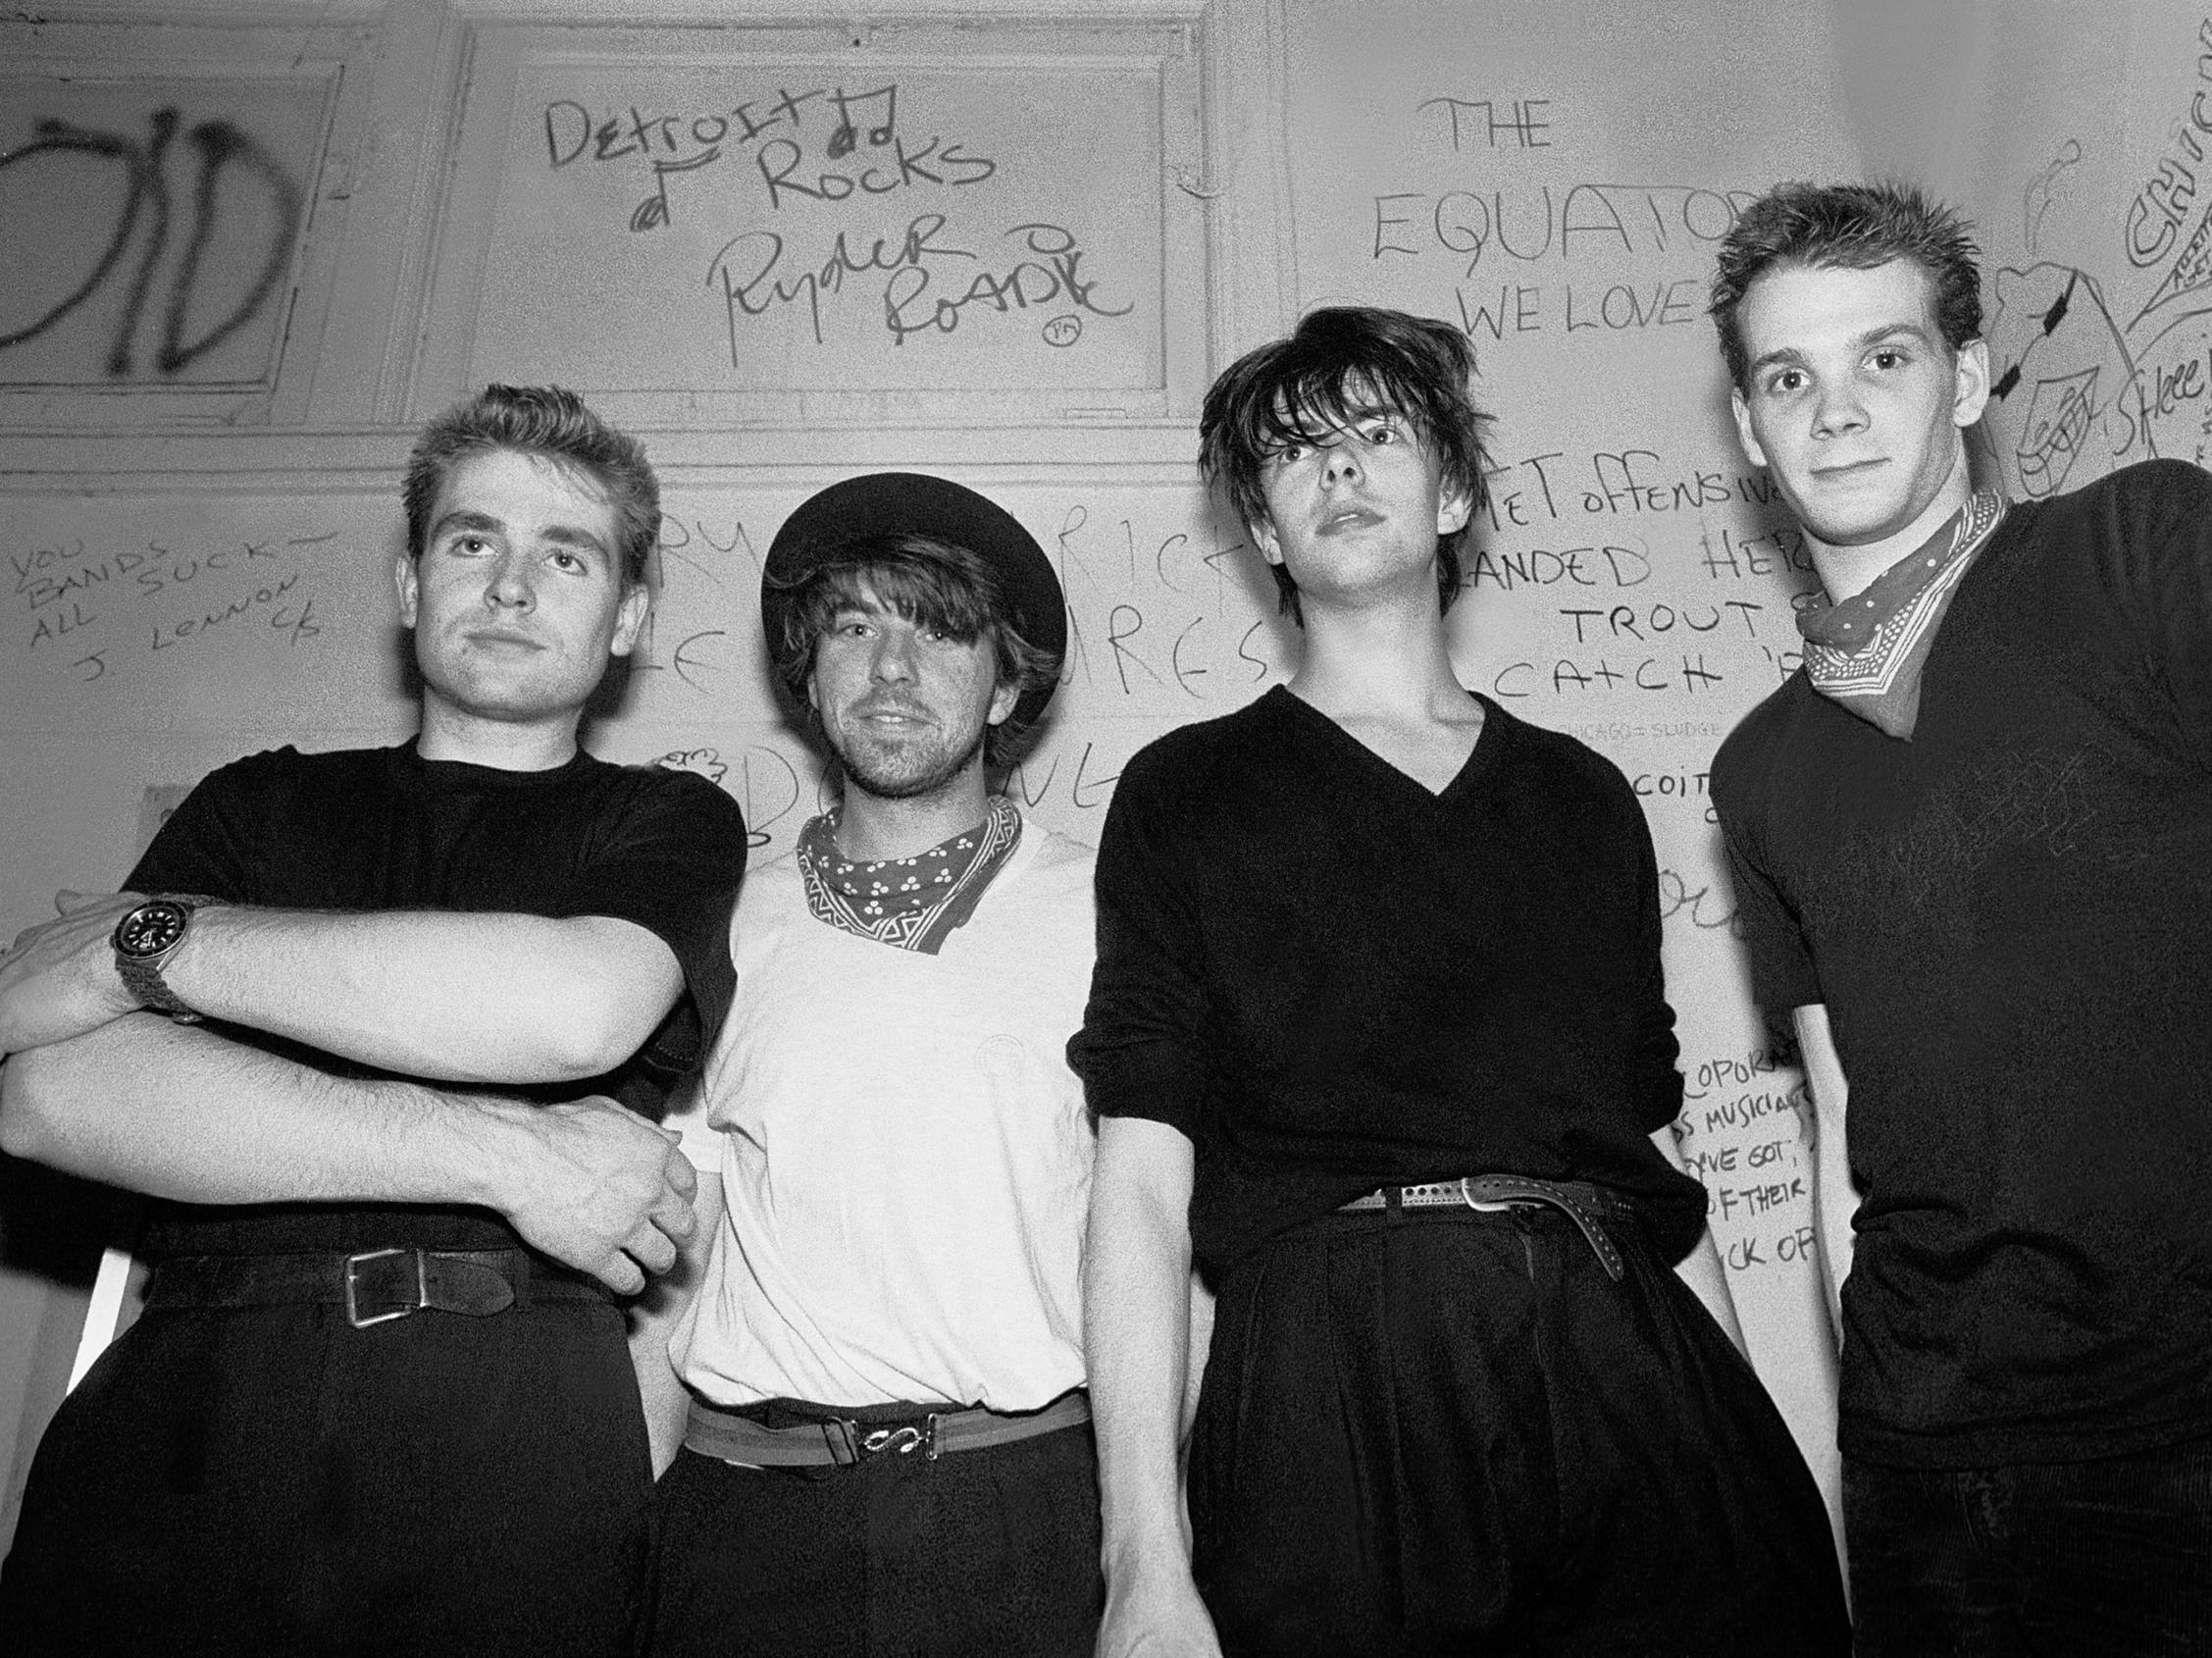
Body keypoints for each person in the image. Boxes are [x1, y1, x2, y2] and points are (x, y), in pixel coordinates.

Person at [1706, 181, 2212, 1656]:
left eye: (1883, 355)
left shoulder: (2147, 545)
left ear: (1965, 379)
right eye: (1787, 379)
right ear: (1751, 433)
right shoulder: (1758, 767)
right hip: (1921, 1471)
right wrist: (1872, 1432)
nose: (1836, 410)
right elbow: (1842, 1123)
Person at [1072, 305, 1850, 1657]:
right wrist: (1143, 1558)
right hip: (1332, 1374)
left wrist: (1740, 1451)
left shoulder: (1581, 797)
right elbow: (1140, 1182)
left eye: (1377, 433)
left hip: (1618, 1341)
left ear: (1452, 495)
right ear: (1263, 532)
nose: (1338, 465)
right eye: (1296, 451)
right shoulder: (1184, 793)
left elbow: (1652, 1149)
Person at [0, 385, 747, 1657]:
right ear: (409, 584)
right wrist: (509, 1157)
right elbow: (50, 1095)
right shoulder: (258, 803)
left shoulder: (665, 822)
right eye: (472, 540)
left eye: (566, 556)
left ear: (625, 616)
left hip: (512, 1427)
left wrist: (162, 948)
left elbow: (569, 1010)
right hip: (191, 1408)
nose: (511, 585)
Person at [634, 472, 1101, 1657]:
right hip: (747, 1516)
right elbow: (675, 1245)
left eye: (938, 632)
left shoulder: (1112, 911)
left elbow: (1163, 1241)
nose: (892, 670)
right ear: (809, 672)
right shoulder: (712, 919)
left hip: (1026, 1505)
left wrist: (1164, 1539)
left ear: (1006, 685)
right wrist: (630, 1526)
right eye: (853, 628)